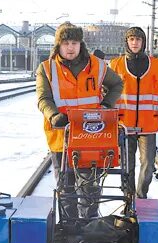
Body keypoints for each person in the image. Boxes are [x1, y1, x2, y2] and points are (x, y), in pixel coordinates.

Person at [36, 22, 123, 218]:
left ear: (80, 44)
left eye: (74, 42)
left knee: (90, 187)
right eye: (65, 42)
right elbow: (43, 99)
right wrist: (53, 115)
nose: (70, 47)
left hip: (90, 137)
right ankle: (69, 226)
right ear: (58, 45)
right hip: (61, 137)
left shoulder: (97, 66)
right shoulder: (46, 69)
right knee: (66, 187)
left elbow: (117, 83)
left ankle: (89, 224)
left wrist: (106, 106)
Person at [109, 26, 158, 199]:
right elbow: (106, 96)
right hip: (124, 125)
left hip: (148, 126)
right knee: (127, 166)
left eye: (138, 39)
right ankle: (127, 199)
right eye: (131, 39)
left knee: (148, 165)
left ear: (143, 42)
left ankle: (140, 196)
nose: (135, 42)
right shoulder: (115, 65)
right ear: (127, 42)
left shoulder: (157, 66)